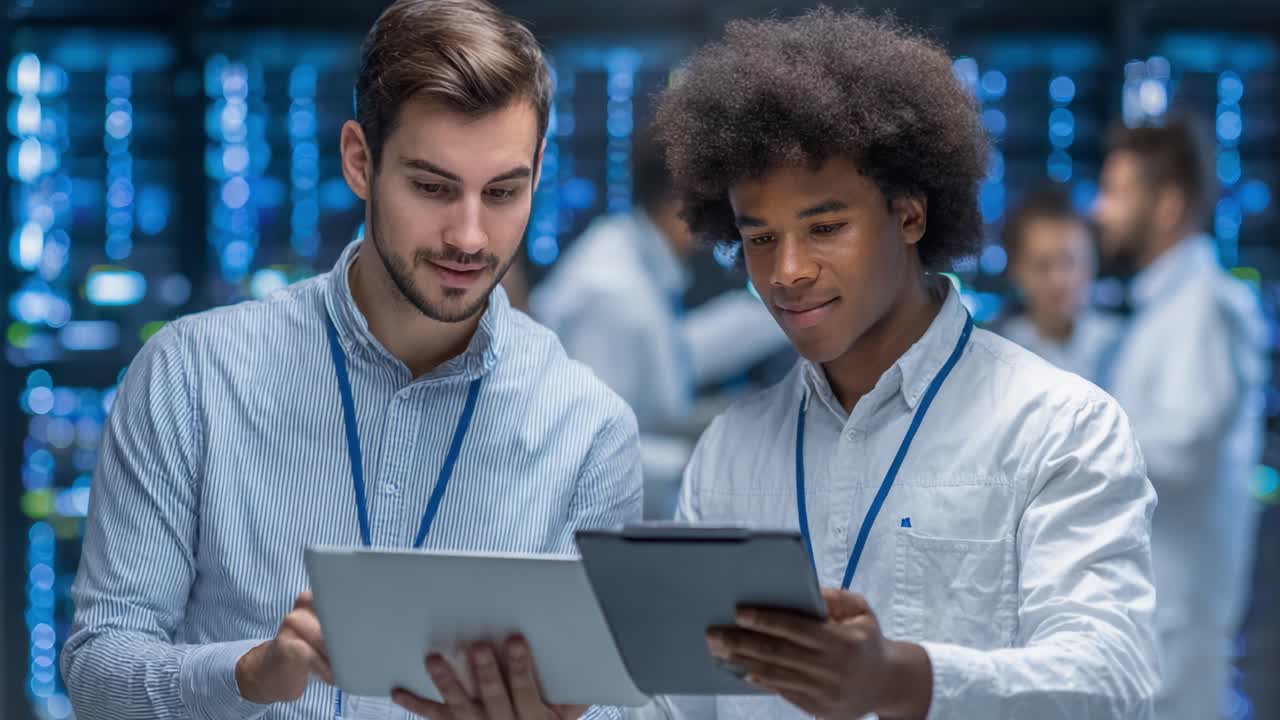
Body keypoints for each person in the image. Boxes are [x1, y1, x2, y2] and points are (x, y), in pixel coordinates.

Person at [61, 1, 641, 719]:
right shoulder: (192, 376)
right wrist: (248, 672)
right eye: (432, 187)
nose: (468, 235)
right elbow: (96, 672)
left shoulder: (588, 429)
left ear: (538, 170)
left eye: (503, 192)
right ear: (359, 160)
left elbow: (622, 705)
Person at [563, 9, 1149, 718]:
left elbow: (1112, 684)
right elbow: (681, 706)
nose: (786, 272)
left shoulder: (1058, 429)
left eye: (825, 228)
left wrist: (903, 679)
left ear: (910, 216)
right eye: (759, 238)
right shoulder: (730, 453)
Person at [1093, 118, 1268, 720]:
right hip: (1147, 621)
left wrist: (1066, 441)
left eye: (1116, 192)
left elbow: (1185, 451)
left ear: (1167, 205)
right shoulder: (1163, 308)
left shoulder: (1207, 307)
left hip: (1176, 626)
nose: (1100, 209)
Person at [533, 127, 788, 516]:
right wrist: (695, 465)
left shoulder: (634, 261)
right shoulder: (611, 291)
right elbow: (585, 448)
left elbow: (670, 357)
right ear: (680, 201)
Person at [996, 186, 1124, 383]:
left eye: (1070, 261)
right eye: (1042, 266)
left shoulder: (1124, 344)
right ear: (1016, 271)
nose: (1059, 280)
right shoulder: (998, 355)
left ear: (1092, 262)